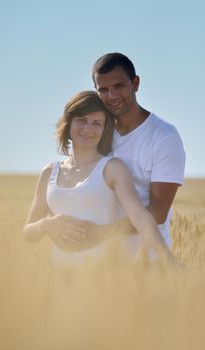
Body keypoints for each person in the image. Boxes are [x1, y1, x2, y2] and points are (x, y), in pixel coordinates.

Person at [23, 91, 177, 265]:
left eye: (96, 123)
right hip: (59, 280)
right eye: (81, 120)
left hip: (104, 278)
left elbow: (140, 217)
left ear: (105, 130)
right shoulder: (49, 172)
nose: (88, 129)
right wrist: (47, 225)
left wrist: (168, 260)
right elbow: (28, 233)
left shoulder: (112, 168)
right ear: (68, 123)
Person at [70, 53, 186, 258]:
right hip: (100, 261)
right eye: (103, 90)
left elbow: (158, 214)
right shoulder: (96, 132)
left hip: (147, 260)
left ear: (135, 83)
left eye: (119, 86)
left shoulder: (164, 137)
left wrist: (100, 233)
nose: (112, 96)